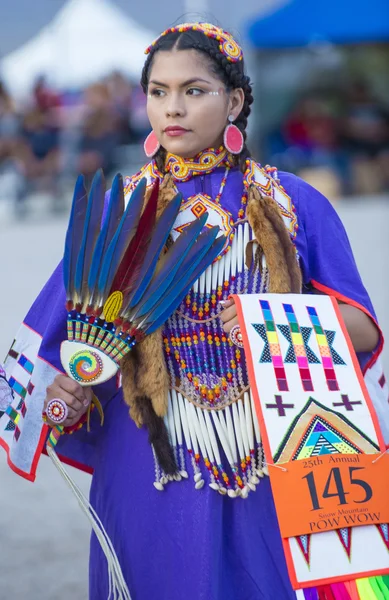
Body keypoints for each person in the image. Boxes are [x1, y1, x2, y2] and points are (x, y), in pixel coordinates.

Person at [1, 23, 388, 600]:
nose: (172, 108)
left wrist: (274, 323)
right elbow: (52, 346)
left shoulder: (293, 204)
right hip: (148, 460)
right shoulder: (122, 209)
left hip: (274, 453)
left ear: (233, 101)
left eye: (193, 90)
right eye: (157, 91)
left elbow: (362, 331)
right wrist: (65, 395)